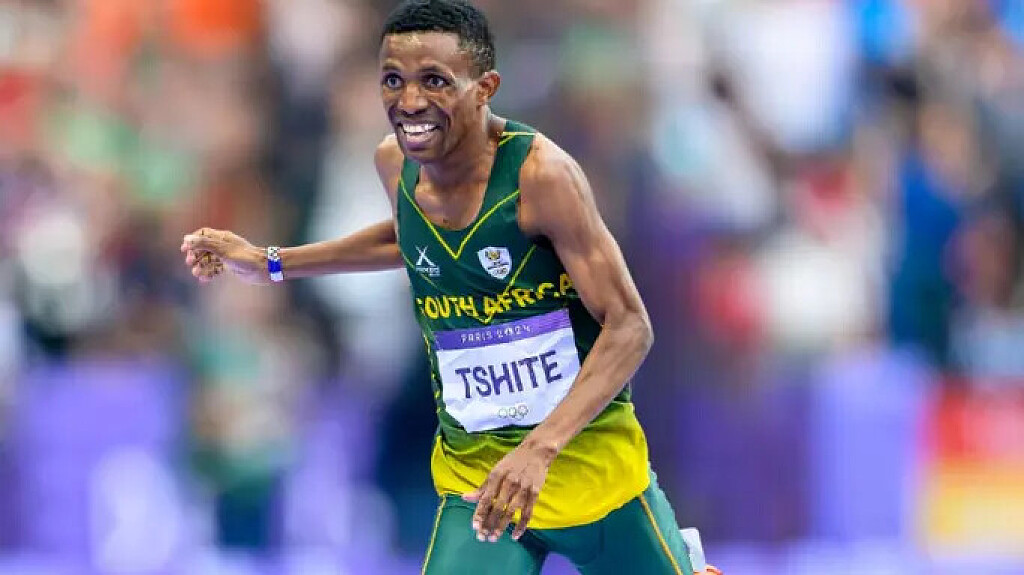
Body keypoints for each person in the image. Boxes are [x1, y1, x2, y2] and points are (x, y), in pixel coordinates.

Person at [181, 1, 720, 573]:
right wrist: (270, 263)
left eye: (434, 81)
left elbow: (630, 327)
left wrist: (538, 449)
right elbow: (411, 238)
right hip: (480, 480)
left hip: (590, 473)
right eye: (394, 80)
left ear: (484, 88)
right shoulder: (395, 164)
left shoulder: (543, 177)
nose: (409, 102)